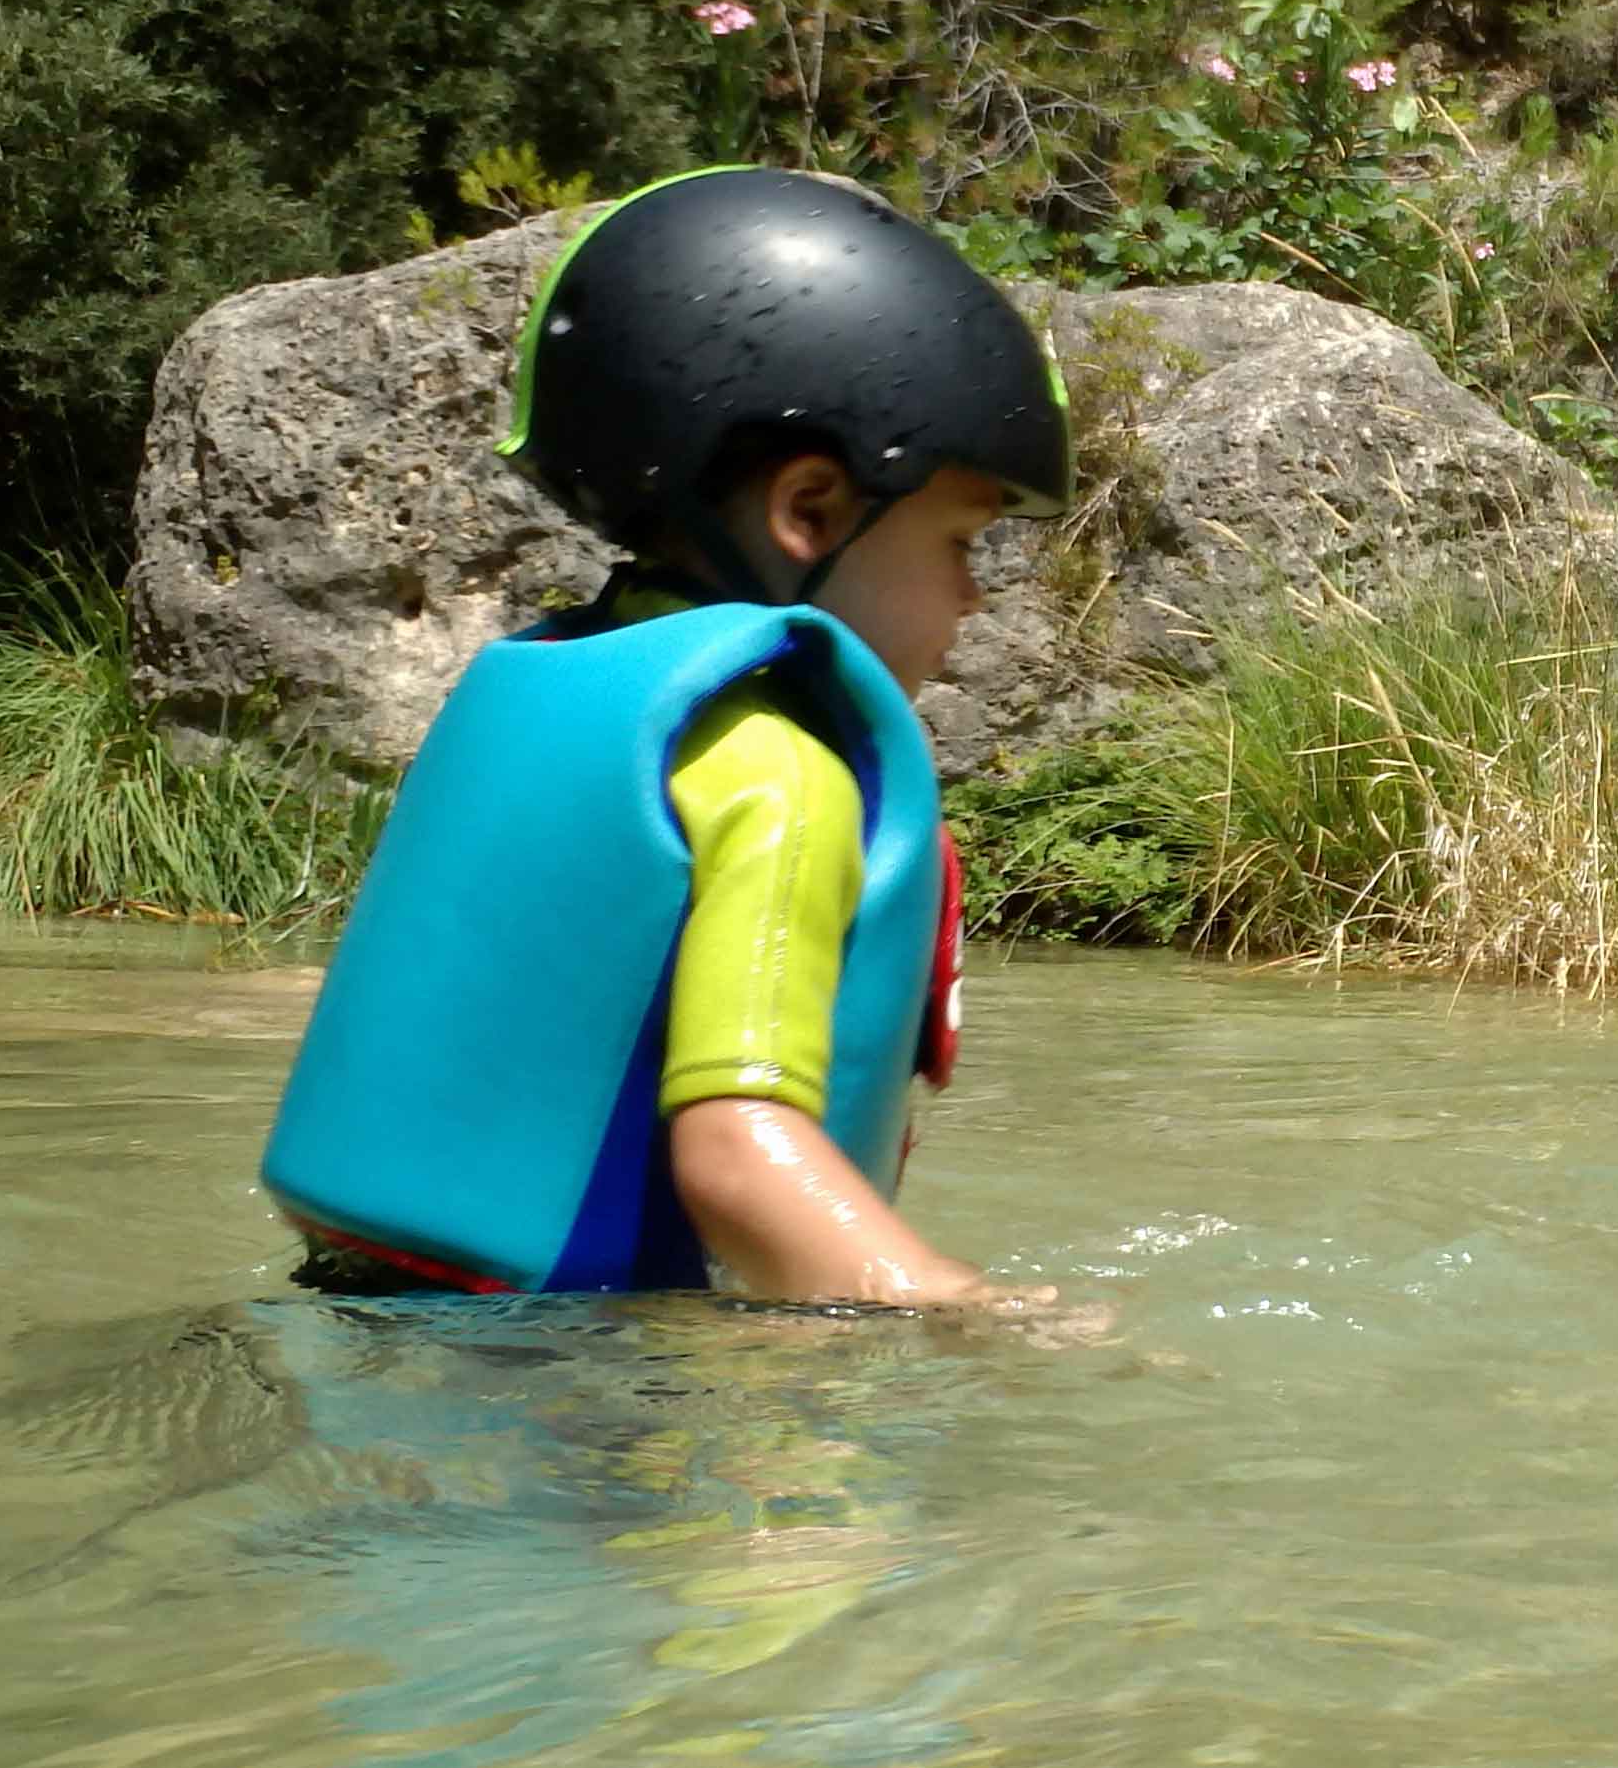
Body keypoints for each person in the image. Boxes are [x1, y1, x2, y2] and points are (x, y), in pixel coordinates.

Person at [263, 166, 1072, 1312]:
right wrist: (980, 1315)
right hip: (562, 1383)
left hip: (350, 1315)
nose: (975, 598)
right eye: (962, 544)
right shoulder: (783, 776)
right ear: (811, 511)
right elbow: (736, 1159)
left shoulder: (561, 687)